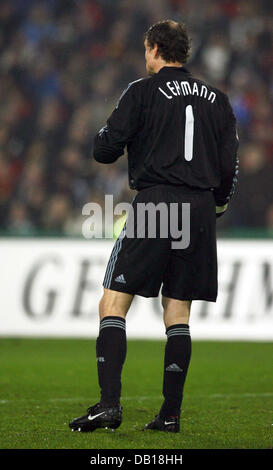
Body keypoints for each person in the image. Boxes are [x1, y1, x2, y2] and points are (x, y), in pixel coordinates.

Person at [69, 19, 239, 433]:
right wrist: (213, 207)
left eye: (146, 49)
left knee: (113, 302)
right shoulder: (218, 98)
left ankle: (109, 405)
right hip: (199, 209)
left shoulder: (141, 91)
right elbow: (228, 166)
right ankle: (170, 415)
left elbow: (103, 150)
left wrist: (118, 136)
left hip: (157, 202)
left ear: (154, 49)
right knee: (178, 310)